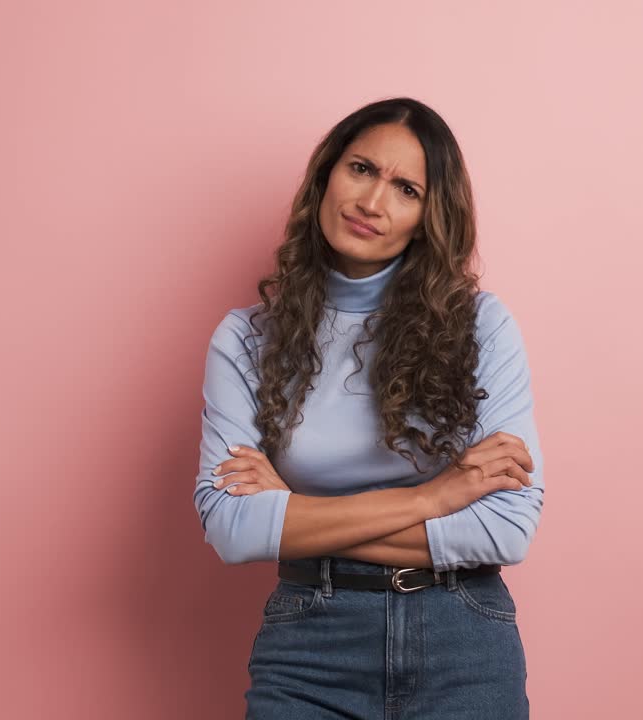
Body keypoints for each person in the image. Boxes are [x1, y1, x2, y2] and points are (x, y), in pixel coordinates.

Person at [192, 96, 545, 719]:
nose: (372, 202)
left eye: (405, 188)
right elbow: (231, 527)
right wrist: (433, 499)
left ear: (429, 216)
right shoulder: (246, 339)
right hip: (309, 646)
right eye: (361, 169)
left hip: (462, 639)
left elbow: (504, 529)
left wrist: (297, 517)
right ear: (327, 173)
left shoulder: (480, 328)